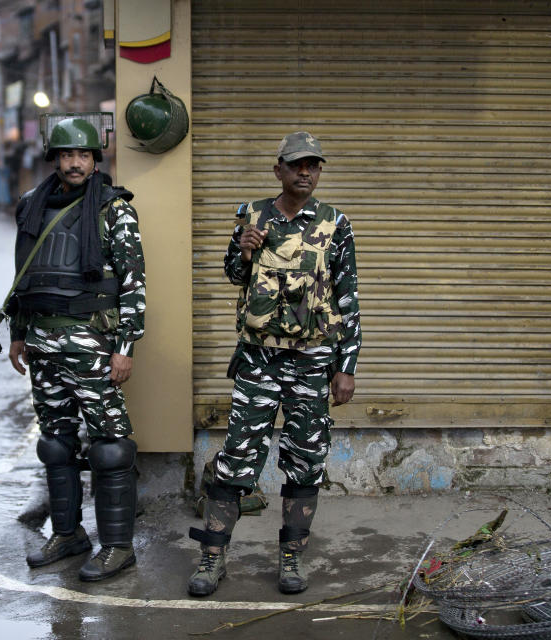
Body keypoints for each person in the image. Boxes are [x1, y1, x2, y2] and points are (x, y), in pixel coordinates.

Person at [186, 131, 360, 596]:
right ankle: (212, 558)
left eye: (314, 165)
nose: (306, 172)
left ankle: (290, 559)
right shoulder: (252, 215)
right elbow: (232, 276)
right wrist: (242, 248)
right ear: (278, 169)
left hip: (311, 361)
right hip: (258, 358)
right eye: (297, 165)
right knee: (237, 458)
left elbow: (348, 297)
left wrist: (347, 366)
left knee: (305, 462)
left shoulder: (335, 223)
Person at [7, 116, 145, 582]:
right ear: (55, 158)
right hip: (43, 344)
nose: (74, 163)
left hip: (91, 345)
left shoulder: (113, 209)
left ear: (94, 159)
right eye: (66, 155)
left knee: (109, 448)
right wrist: (18, 333)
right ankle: (68, 534)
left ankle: (118, 547)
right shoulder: (31, 205)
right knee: (56, 445)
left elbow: (134, 285)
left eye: (82, 155)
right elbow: (23, 276)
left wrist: (125, 348)